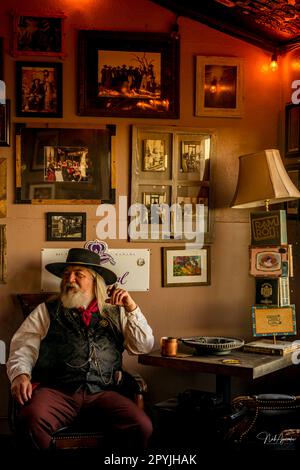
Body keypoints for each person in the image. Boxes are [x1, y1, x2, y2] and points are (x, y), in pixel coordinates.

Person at [6, 248, 154, 452]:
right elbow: (22, 347)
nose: (70, 279)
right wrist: (20, 375)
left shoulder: (116, 312)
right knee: (31, 420)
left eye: (78, 274)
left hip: (103, 393)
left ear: (95, 281)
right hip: (57, 391)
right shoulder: (46, 311)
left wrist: (132, 308)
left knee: (141, 426)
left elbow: (143, 346)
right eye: (66, 274)